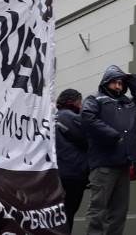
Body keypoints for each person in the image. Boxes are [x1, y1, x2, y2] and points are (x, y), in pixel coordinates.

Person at [81, 65, 136, 235]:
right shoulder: (94, 99)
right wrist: (112, 135)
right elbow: (87, 117)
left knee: (119, 212)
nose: (118, 86)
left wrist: (132, 79)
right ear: (106, 82)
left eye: (121, 83)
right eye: (114, 82)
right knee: (98, 209)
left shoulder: (128, 104)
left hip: (124, 164)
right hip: (103, 164)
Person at [55, 89, 89, 234]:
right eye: (80, 102)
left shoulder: (53, 117)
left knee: (57, 214)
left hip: (56, 173)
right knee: (68, 213)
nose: (81, 106)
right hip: (73, 173)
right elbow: (86, 139)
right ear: (73, 101)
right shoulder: (70, 117)